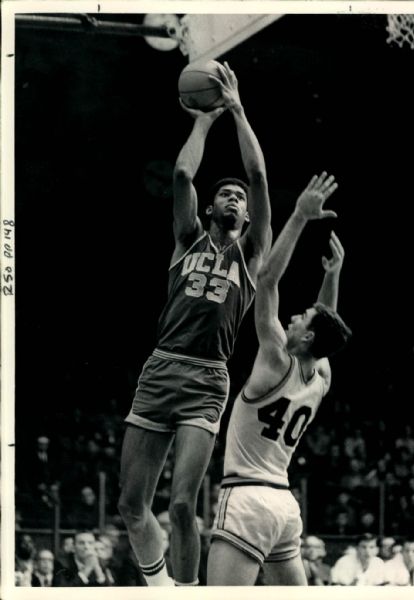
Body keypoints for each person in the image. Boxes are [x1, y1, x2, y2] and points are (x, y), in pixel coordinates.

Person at [118, 60, 271, 587]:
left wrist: (237, 110)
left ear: (249, 219)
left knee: (182, 505)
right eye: (226, 194)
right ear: (210, 207)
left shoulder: (251, 256)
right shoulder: (187, 241)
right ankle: (158, 586)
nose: (235, 197)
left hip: (207, 378)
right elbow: (183, 173)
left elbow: (258, 174)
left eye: (241, 199)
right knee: (131, 505)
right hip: (161, 367)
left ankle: (186, 593)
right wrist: (203, 120)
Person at [207, 171, 351, 585]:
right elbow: (324, 325)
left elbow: (266, 280)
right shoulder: (320, 375)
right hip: (284, 506)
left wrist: (301, 217)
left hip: (248, 496)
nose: (292, 315)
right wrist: (332, 275)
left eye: (300, 317)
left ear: (304, 337)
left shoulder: (275, 358)